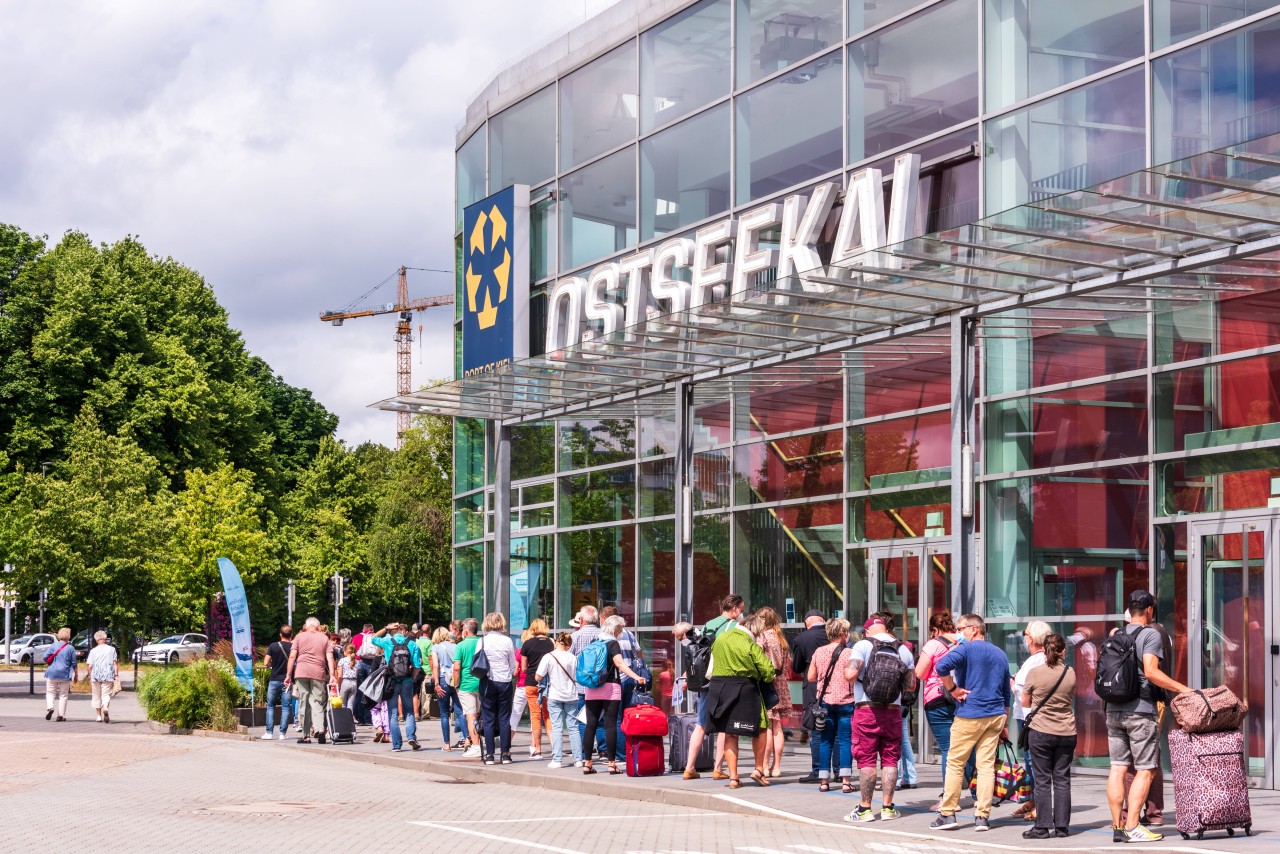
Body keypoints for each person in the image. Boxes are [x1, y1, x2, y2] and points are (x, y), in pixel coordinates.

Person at [1105, 590, 1189, 844]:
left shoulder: (1116, 635)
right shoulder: (1150, 634)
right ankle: (1133, 827)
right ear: (1150, 610)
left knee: (1118, 768)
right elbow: (1152, 672)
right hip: (1140, 711)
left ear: (1130, 610)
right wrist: (1183, 689)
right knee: (1145, 769)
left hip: (1113, 709)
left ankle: (1118, 826)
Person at [930, 614, 1012, 833]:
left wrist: (953, 689)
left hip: (970, 713)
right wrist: (1005, 722)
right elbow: (1006, 691)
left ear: (974, 629)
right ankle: (982, 817)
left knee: (956, 763)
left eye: (961, 628)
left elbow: (941, 667)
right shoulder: (1000, 653)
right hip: (994, 715)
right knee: (985, 766)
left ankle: (947, 814)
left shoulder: (964, 649)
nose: (958, 633)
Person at [843, 613, 916, 822]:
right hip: (892, 710)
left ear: (867, 631)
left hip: (867, 709)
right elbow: (910, 684)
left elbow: (850, 675)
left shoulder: (863, 646)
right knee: (890, 759)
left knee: (866, 759)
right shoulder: (904, 649)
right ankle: (888, 807)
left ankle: (865, 809)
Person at [704, 610, 774, 788]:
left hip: (720, 689)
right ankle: (758, 769)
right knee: (761, 727)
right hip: (745, 690)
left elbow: (711, 667)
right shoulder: (749, 644)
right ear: (754, 630)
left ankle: (733, 778)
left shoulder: (721, 639)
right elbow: (767, 672)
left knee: (729, 731)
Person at [681, 594, 743, 780]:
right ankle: (718, 768)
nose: (742, 612)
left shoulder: (709, 624)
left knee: (701, 724)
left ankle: (689, 767)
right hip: (724, 677)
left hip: (705, 679)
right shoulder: (735, 626)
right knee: (724, 725)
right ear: (734, 609)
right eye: (741, 609)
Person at [1021, 633, 1076, 839]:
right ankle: (1062, 827)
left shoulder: (1034, 673)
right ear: (1064, 651)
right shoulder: (1070, 673)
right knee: (1062, 779)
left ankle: (1042, 827)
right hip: (1067, 731)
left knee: (1043, 779)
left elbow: (1025, 703)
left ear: (1044, 650)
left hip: (1042, 731)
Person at [582, 615, 648, 775]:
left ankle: (587, 763)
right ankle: (612, 764)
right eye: (620, 629)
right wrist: (636, 677)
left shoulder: (594, 642)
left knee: (590, 725)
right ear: (615, 628)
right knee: (610, 724)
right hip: (610, 687)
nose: (621, 632)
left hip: (592, 687)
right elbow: (619, 663)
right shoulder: (612, 643)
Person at [915, 611, 967, 810]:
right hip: (962, 697)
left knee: (948, 749)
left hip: (938, 698)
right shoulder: (964, 642)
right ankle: (976, 793)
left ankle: (949, 798)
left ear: (935, 629)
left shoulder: (934, 644)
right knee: (965, 748)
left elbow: (920, 673)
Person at [806, 617, 855, 793]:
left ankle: (824, 781)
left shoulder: (819, 652)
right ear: (842, 634)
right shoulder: (850, 653)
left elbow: (811, 677)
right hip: (846, 701)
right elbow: (854, 675)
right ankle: (845, 781)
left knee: (825, 740)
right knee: (845, 741)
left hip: (825, 702)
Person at [1011, 620, 1052, 823]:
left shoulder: (1036, 660)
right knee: (1031, 761)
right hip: (1033, 715)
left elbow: (1023, 690)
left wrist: (1012, 682)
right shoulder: (1042, 659)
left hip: (1029, 715)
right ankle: (1035, 800)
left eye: (1026, 633)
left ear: (1033, 638)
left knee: (1033, 761)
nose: (1024, 636)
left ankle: (1040, 804)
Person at [790, 609, 829, 783]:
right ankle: (838, 771)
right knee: (836, 731)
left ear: (807, 623)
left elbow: (797, 667)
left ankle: (818, 771)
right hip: (837, 686)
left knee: (816, 728)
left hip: (813, 686)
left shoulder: (801, 638)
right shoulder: (833, 633)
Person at [284, 617, 337, 744]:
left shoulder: (299, 637)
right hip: (318, 673)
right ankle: (320, 729)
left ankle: (306, 736)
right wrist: (333, 675)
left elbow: (292, 656)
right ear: (318, 627)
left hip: (301, 672)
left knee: (304, 702)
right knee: (317, 702)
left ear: (306, 626)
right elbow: (330, 658)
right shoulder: (324, 638)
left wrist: (288, 674)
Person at [371, 622, 422, 751]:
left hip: (392, 681)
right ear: (404, 631)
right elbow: (417, 666)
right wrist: (412, 679)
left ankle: (397, 745)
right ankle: (411, 737)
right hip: (407, 681)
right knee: (409, 711)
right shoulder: (412, 643)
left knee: (392, 713)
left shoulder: (388, 642)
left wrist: (385, 628)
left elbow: (372, 638)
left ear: (393, 631)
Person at [753, 606, 791, 778]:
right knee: (778, 727)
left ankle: (765, 765)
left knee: (766, 726)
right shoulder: (781, 638)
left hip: (766, 682)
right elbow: (787, 664)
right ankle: (777, 766)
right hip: (780, 682)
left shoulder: (761, 638)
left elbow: (756, 659)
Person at [477, 611, 518, 765]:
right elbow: (513, 665)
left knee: (488, 719)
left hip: (487, 681)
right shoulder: (507, 641)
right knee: (504, 718)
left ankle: (490, 755)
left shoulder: (481, 641)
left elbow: (476, 662)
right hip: (505, 682)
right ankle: (506, 754)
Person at [537, 631, 582, 768]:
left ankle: (557, 760)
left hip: (555, 695)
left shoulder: (548, 657)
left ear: (557, 642)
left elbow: (538, 676)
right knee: (573, 728)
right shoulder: (573, 658)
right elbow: (577, 676)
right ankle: (578, 760)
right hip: (572, 695)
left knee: (557, 728)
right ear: (569, 645)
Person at [518, 618, 554, 759]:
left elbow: (524, 667)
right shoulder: (551, 643)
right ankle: (553, 747)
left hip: (531, 682)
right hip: (548, 683)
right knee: (548, 715)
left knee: (535, 716)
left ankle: (537, 749)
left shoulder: (527, 644)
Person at [569, 606, 601, 749]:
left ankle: (583, 750)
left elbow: (568, 658)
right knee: (601, 718)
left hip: (581, 684)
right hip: (601, 683)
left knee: (582, 718)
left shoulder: (575, 636)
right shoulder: (603, 635)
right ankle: (603, 750)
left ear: (581, 620)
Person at [453, 618, 483, 757]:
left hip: (466, 685)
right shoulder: (482, 642)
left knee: (471, 716)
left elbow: (457, 668)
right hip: (482, 683)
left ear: (465, 630)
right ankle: (484, 743)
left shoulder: (461, 646)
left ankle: (476, 746)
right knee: (482, 715)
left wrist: (456, 684)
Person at [430, 627, 462, 751]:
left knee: (444, 714)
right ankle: (468, 740)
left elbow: (435, 666)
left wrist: (436, 683)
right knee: (460, 711)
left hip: (443, 680)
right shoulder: (455, 646)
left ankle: (447, 744)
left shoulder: (436, 648)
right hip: (455, 680)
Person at [261, 625, 294, 740]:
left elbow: (266, 662)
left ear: (280, 634)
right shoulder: (294, 647)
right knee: (285, 707)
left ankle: (269, 733)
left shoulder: (273, 646)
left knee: (270, 706)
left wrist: (273, 665)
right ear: (291, 635)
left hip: (274, 679)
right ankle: (282, 734)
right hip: (287, 680)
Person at [42, 627, 78, 722]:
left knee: (50, 692)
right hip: (65, 673)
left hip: (52, 672)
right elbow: (74, 663)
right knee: (63, 695)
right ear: (68, 636)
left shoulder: (53, 646)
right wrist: (76, 675)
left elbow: (45, 657)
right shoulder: (71, 648)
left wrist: (51, 662)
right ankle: (60, 715)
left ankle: (50, 707)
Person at [86, 631, 118, 724]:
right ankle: (105, 708)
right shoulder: (112, 649)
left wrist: (90, 675)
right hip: (108, 674)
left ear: (96, 640)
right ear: (105, 639)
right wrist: (116, 675)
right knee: (106, 694)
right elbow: (115, 663)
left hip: (96, 674)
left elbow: (90, 666)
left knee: (96, 695)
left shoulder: (93, 651)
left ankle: (98, 716)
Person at [352, 623, 377, 726]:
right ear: (372, 629)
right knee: (370, 690)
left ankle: (360, 717)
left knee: (360, 690)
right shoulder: (375, 636)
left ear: (363, 629)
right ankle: (369, 718)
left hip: (361, 663)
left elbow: (353, 650)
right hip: (372, 664)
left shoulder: (357, 637)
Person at [414, 625, 433, 721]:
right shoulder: (429, 643)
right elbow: (430, 657)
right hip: (427, 670)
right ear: (429, 631)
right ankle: (425, 713)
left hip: (418, 669)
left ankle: (417, 711)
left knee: (418, 692)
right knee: (426, 693)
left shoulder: (417, 641)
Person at [338, 644, 360, 712]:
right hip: (354, 682)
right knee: (350, 704)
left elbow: (340, 675)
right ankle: (350, 720)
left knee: (342, 704)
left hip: (345, 682)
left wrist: (338, 685)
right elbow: (357, 674)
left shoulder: (342, 660)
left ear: (345, 651)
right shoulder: (357, 662)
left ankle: (343, 720)